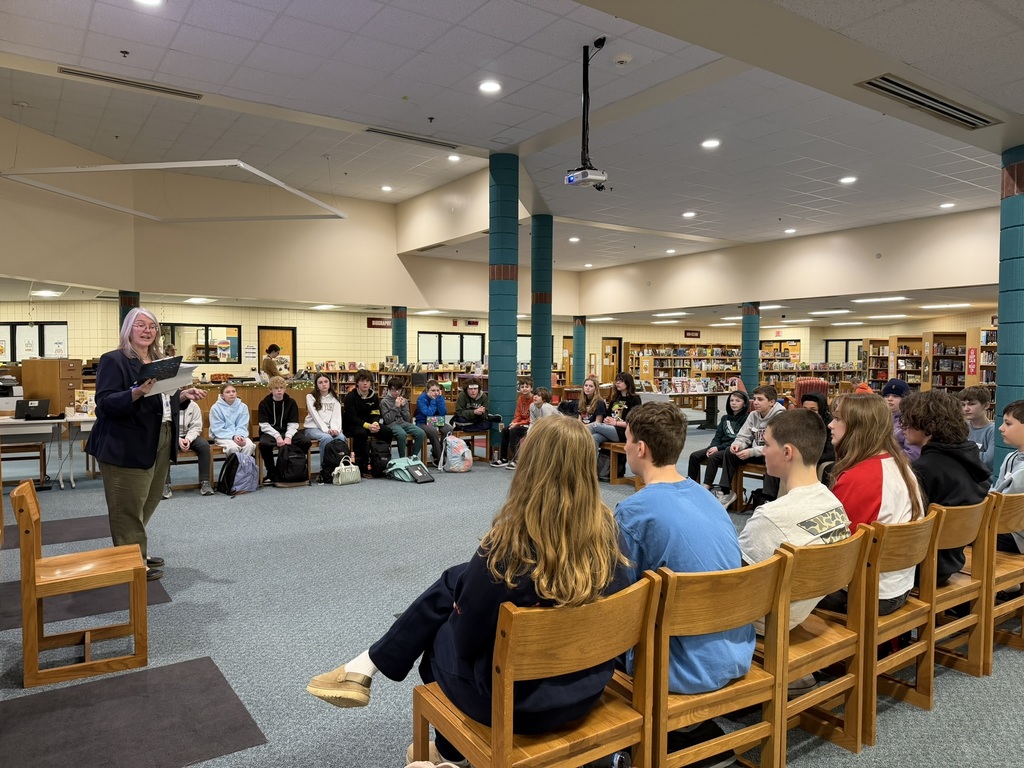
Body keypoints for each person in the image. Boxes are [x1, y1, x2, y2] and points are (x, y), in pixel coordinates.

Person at [306, 417, 630, 767]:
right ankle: (367, 665)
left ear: (530, 466)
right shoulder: (610, 534)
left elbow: (465, 641)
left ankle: (448, 751)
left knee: (438, 631)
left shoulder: (508, 549)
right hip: (585, 690)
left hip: (515, 706)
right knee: (455, 580)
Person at [617, 401, 754, 763]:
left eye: (627, 440)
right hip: (736, 651)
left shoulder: (634, 510)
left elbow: (620, 599)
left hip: (677, 668)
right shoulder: (706, 496)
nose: (626, 447)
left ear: (641, 448)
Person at [85, 308, 207, 582]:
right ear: (128, 329)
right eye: (140, 325)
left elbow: (162, 401)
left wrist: (183, 395)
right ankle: (131, 561)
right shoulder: (114, 360)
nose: (147, 330)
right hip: (125, 443)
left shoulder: (160, 360)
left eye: (152, 326)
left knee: (150, 498)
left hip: (160, 436)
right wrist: (136, 392)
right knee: (127, 506)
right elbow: (104, 404)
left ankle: (132, 550)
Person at [738, 409, 851, 631]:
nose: (763, 451)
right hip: (800, 610)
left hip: (763, 623)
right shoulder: (835, 504)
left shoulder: (770, 517)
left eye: (767, 445)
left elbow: (734, 582)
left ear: (787, 452)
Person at [820, 393, 924, 615]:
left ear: (859, 427)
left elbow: (837, 545)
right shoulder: (900, 464)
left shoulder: (860, 476)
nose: (830, 425)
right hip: (899, 582)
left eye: (838, 419)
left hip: (870, 592)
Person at [899, 390, 991, 586]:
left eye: (908, 421)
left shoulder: (925, 469)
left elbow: (909, 526)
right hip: (952, 560)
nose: (902, 426)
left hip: (922, 567)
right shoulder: (971, 460)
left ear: (929, 426)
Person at [712, 385, 786, 508]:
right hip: (757, 451)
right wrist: (738, 445)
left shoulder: (780, 417)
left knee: (772, 458)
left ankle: (768, 499)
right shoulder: (753, 415)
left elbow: (775, 445)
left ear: (772, 402)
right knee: (729, 452)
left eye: (760, 399)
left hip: (772, 453)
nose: (755, 402)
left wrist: (751, 452)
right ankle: (725, 492)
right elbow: (743, 436)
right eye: (755, 399)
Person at [687, 390, 748, 488]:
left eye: (737, 401)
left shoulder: (747, 419)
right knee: (694, 456)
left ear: (744, 404)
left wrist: (718, 448)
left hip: (733, 448)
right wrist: (712, 447)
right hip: (719, 446)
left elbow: (739, 439)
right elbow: (718, 436)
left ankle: (707, 485)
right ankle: (691, 484)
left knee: (713, 457)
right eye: (731, 400)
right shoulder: (725, 418)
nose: (734, 403)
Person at [258, 376, 311, 484]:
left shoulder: (291, 402)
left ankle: (294, 467)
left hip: (288, 431)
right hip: (270, 432)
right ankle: (271, 472)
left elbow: (293, 423)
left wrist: (288, 437)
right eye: (276, 388)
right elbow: (264, 425)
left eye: (281, 387)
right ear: (270, 389)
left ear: (285, 389)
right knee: (264, 444)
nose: (279, 390)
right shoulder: (264, 403)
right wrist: (277, 436)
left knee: (305, 442)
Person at [343, 369, 393, 472]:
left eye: (367, 381)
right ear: (357, 383)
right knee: (361, 433)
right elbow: (352, 417)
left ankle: (381, 458)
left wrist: (375, 423)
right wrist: (367, 425)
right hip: (353, 426)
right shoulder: (350, 397)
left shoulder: (373, 396)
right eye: (362, 381)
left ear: (370, 382)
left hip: (370, 425)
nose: (365, 383)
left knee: (387, 431)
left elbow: (376, 413)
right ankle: (361, 463)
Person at [163, 399, 214, 499]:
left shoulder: (194, 406)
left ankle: (205, 482)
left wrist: (188, 439)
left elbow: (196, 427)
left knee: (204, 446)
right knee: (164, 447)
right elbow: (167, 426)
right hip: (171, 436)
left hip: (189, 436)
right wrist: (178, 440)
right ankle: (165, 484)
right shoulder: (168, 405)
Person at [993, 400, 1024, 554]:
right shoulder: (1011, 457)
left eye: (1008, 423)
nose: (1000, 428)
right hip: (1006, 527)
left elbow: (1002, 508)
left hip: (1017, 536)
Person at [304, 374, 349, 468]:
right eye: (320, 382)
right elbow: (315, 417)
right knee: (326, 438)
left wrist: (335, 429)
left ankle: (340, 467)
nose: (323, 384)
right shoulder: (310, 397)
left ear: (329, 383)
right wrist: (326, 430)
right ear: (316, 385)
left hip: (330, 429)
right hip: (312, 428)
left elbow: (336, 417)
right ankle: (324, 469)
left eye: (326, 382)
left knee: (341, 437)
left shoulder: (334, 398)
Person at [589, 372, 642, 451]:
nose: (617, 383)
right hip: (610, 429)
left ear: (628, 383)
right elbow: (608, 415)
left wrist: (616, 423)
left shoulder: (635, 399)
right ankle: (593, 463)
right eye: (617, 380)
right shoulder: (615, 398)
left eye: (621, 381)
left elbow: (633, 423)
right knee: (594, 439)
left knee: (594, 426)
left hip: (624, 432)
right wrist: (607, 419)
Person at [381, 378, 427, 459]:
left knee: (421, 433)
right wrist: (396, 407)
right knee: (402, 434)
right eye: (394, 390)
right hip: (391, 424)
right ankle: (403, 458)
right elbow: (387, 420)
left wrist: (402, 407)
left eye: (399, 390)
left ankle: (413, 456)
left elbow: (407, 418)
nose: (397, 392)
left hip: (403, 423)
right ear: (389, 389)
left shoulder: (404, 400)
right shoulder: (384, 402)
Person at [491, 378, 531, 468]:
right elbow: (517, 414)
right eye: (522, 387)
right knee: (506, 430)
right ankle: (504, 458)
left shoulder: (534, 399)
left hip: (530, 425)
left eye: (527, 387)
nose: (524, 389)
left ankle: (516, 460)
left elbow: (531, 418)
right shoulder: (520, 398)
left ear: (531, 388)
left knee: (514, 431)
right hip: (520, 424)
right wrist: (514, 422)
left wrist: (517, 424)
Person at [209, 384, 257, 457]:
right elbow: (217, 428)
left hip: (240, 435)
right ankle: (234, 468)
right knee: (233, 447)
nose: (231, 394)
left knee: (249, 445)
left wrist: (240, 436)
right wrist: (233, 437)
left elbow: (242, 425)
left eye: (233, 391)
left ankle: (243, 468)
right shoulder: (215, 408)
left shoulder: (243, 406)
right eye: (228, 392)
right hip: (222, 436)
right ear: (222, 396)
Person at [959, 385, 995, 478]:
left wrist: (960, 453)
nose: (966, 409)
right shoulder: (961, 427)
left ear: (986, 405)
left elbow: (987, 462)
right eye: (963, 405)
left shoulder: (993, 431)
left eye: (971, 404)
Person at [415, 379, 453, 465]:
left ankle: (443, 452)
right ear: (427, 390)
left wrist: (439, 401)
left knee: (448, 429)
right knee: (433, 431)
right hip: (423, 422)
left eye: (437, 390)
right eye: (433, 390)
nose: (435, 393)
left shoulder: (439, 398)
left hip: (437, 421)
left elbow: (443, 413)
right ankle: (439, 457)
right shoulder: (421, 399)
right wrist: (433, 401)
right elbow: (429, 414)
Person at [882, 378, 920, 461]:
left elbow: (913, 453)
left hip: (897, 464)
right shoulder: (880, 417)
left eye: (895, 396)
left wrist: (889, 459)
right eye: (886, 396)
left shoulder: (909, 420)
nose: (890, 399)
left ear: (905, 400)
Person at [801, 391, 836, 468]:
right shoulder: (800, 421)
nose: (808, 413)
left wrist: (807, 458)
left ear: (821, 410)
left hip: (816, 461)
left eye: (813, 410)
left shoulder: (831, 425)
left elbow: (831, 454)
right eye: (805, 409)